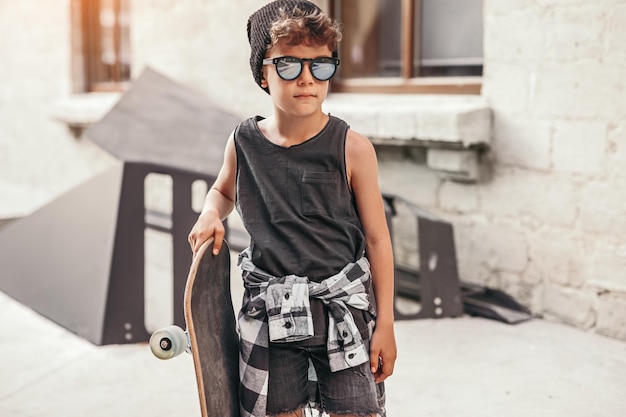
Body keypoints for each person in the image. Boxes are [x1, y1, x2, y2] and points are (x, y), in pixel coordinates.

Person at [188, 1, 397, 416]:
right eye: (289, 65)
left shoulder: (352, 147)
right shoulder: (243, 142)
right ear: (262, 74)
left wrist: (386, 323)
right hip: (270, 313)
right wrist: (211, 211)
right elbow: (222, 190)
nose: (307, 79)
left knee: (357, 411)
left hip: (342, 312)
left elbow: (377, 238)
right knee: (276, 411)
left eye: (321, 66)